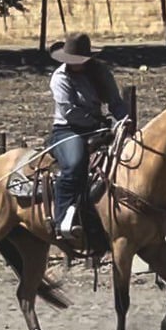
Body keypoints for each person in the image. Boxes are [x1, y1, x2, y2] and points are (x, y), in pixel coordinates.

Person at [47, 32, 128, 240]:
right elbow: (69, 111)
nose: (76, 64)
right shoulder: (60, 77)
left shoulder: (100, 73)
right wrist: (98, 123)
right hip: (68, 130)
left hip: (99, 128)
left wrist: (124, 122)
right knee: (74, 163)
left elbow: (115, 102)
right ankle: (62, 220)